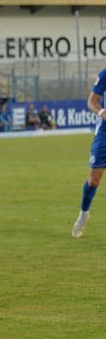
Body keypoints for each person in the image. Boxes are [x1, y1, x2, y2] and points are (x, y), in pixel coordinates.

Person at [71, 69, 106, 238]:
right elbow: (92, 102)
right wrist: (102, 112)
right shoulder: (105, 75)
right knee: (93, 180)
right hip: (105, 133)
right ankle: (84, 213)